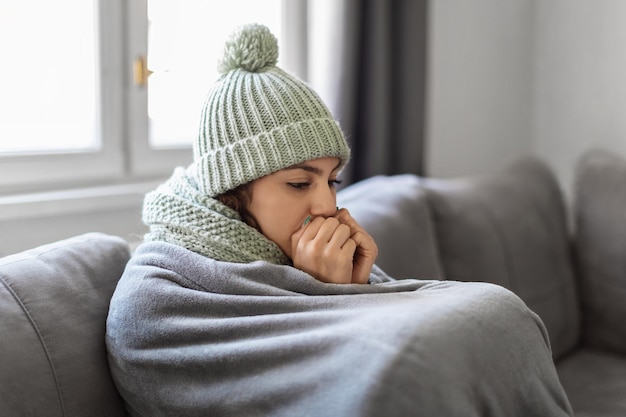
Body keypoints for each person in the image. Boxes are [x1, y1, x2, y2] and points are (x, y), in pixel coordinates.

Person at [106, 23, 573, 417]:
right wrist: (328, 298)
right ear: (231, 190)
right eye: (298, 183)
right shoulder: (159, 289)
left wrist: (345, 293)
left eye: (332, 181)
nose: (326, 206)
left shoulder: (278, 247)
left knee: (496, 309)